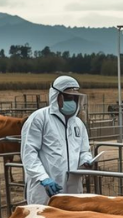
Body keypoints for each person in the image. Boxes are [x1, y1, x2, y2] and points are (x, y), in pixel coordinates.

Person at [21, 75, 92, 205]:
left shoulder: (78, 124)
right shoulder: (39, 119)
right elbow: (29, 153)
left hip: (73, 190)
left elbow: (84, 150)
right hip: (45, 189)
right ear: (56, 96)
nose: (72, 101)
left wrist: (86, 160)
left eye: (74, 98)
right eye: (67, 97)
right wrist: (42, 177)